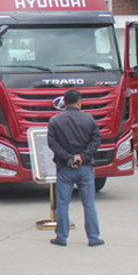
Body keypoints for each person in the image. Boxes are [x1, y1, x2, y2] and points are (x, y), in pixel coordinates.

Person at [47, 89, 104, 247]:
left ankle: (61, 237)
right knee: (89, 204)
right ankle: (93, 238)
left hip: (65, 168)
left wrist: (68, 157)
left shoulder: (55, 120)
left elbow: (52, 143)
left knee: (62, 204)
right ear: (80, 102)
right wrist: (83, 157)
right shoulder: (89, 119)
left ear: (64, 103)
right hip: (85, 167)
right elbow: (96, 141)